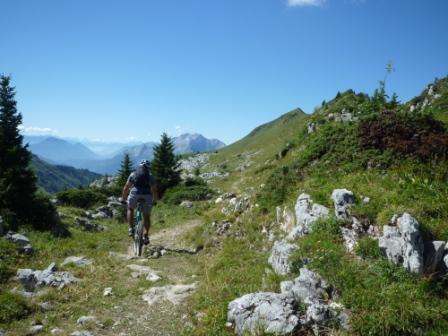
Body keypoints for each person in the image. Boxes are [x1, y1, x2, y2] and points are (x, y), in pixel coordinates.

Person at [121, 160, 158, 245]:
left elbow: (126, 188)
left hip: (134, 194)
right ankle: (145, 235)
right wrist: (154, 201)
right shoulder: (150, 176)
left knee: (130, 209)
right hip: (147, 196)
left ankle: (130, 228)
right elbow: (154, 190)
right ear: (148, 168)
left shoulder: (133, 174)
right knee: (146, 216)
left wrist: (123, 199)